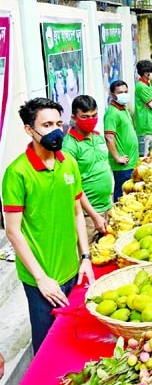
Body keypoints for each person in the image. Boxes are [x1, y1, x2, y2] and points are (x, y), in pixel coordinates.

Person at [2, 98, 95, 353]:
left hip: (71, 269)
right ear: (29, 130)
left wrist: (85, 257)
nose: (55, 130)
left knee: (71, 341)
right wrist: (41, 278)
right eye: (46, 124)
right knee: (46, 347)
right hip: (41, 277)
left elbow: (77, 212)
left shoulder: (69, 163)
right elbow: (13, 230)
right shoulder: (17, 173)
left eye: (58, 123)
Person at [62, 95, 113, 242]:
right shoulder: (69, 147)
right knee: (89, 255)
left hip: (107, 206)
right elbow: (73, 186)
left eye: (94, 115)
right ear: (74, 117)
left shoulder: (98, 137)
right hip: (87, 214)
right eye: (85, 117)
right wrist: (93, 215)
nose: (91, 120)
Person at [104, 80, 138, 203]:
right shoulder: (111, 113)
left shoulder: (123, 109)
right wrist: (117, 157)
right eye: (120, 92)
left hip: (131, 161)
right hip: (122, 164)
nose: (124, 94)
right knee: (122, 192)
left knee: (129, 191)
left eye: (125, 92)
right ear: (112, 95)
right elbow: (109, 137)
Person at [134, 60, 152, 156]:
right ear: (146, 73)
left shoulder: (147, 84)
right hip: (147, 123)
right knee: (148, 151)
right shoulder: (142, 87)